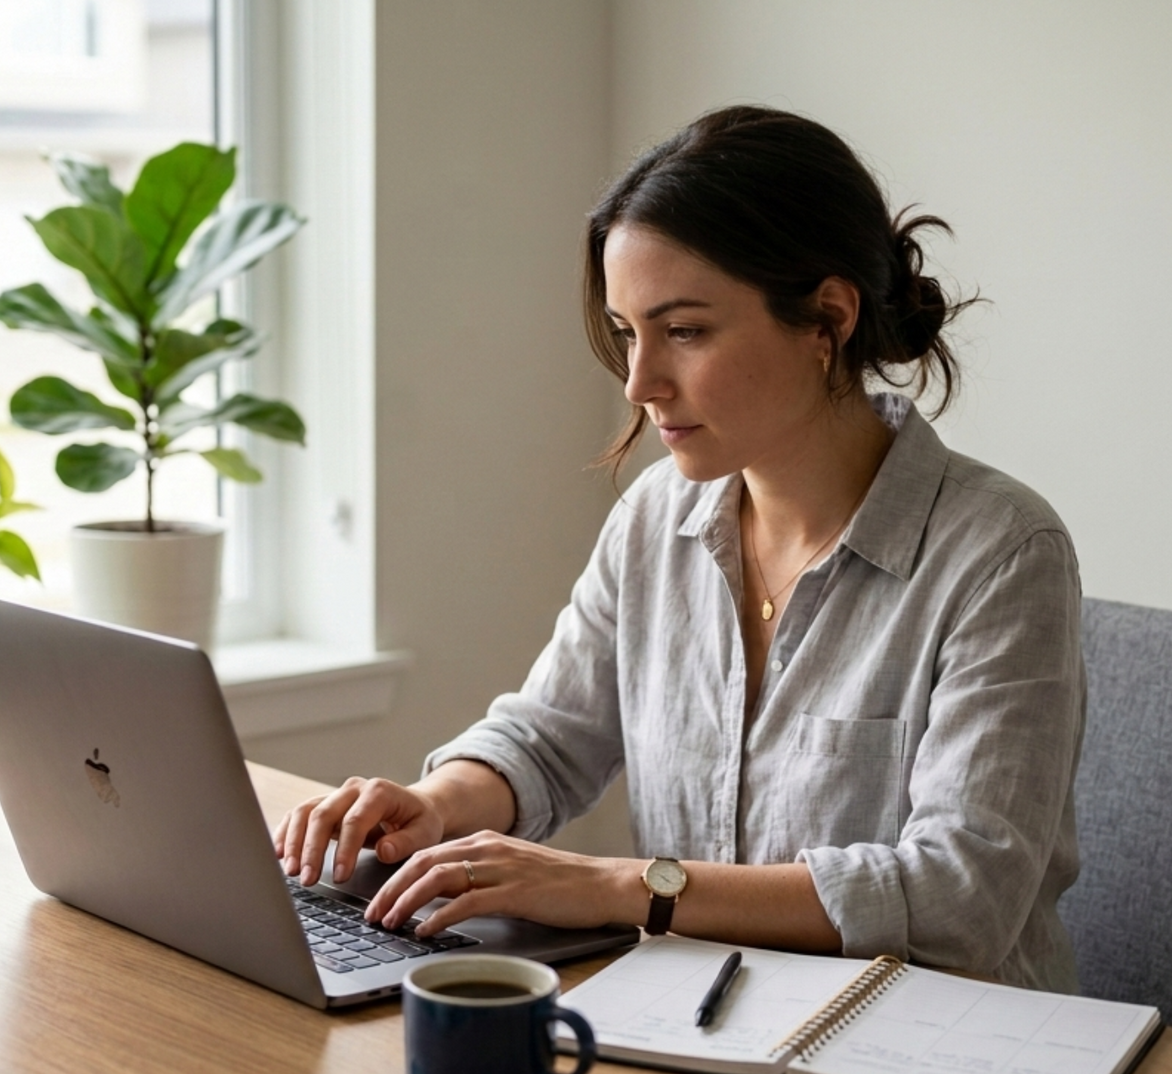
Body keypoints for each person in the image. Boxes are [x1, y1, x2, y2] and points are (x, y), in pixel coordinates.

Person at [274, 106, 1084, 994]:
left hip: (934, 1038)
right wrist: (435, 806)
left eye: (685, 331)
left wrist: (625, 889)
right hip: (701, 1018)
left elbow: (958, 898)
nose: (639, 382)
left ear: (828, 319)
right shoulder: (658, 517)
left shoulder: (1003, 554)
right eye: (628, 333)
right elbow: (549, 739)